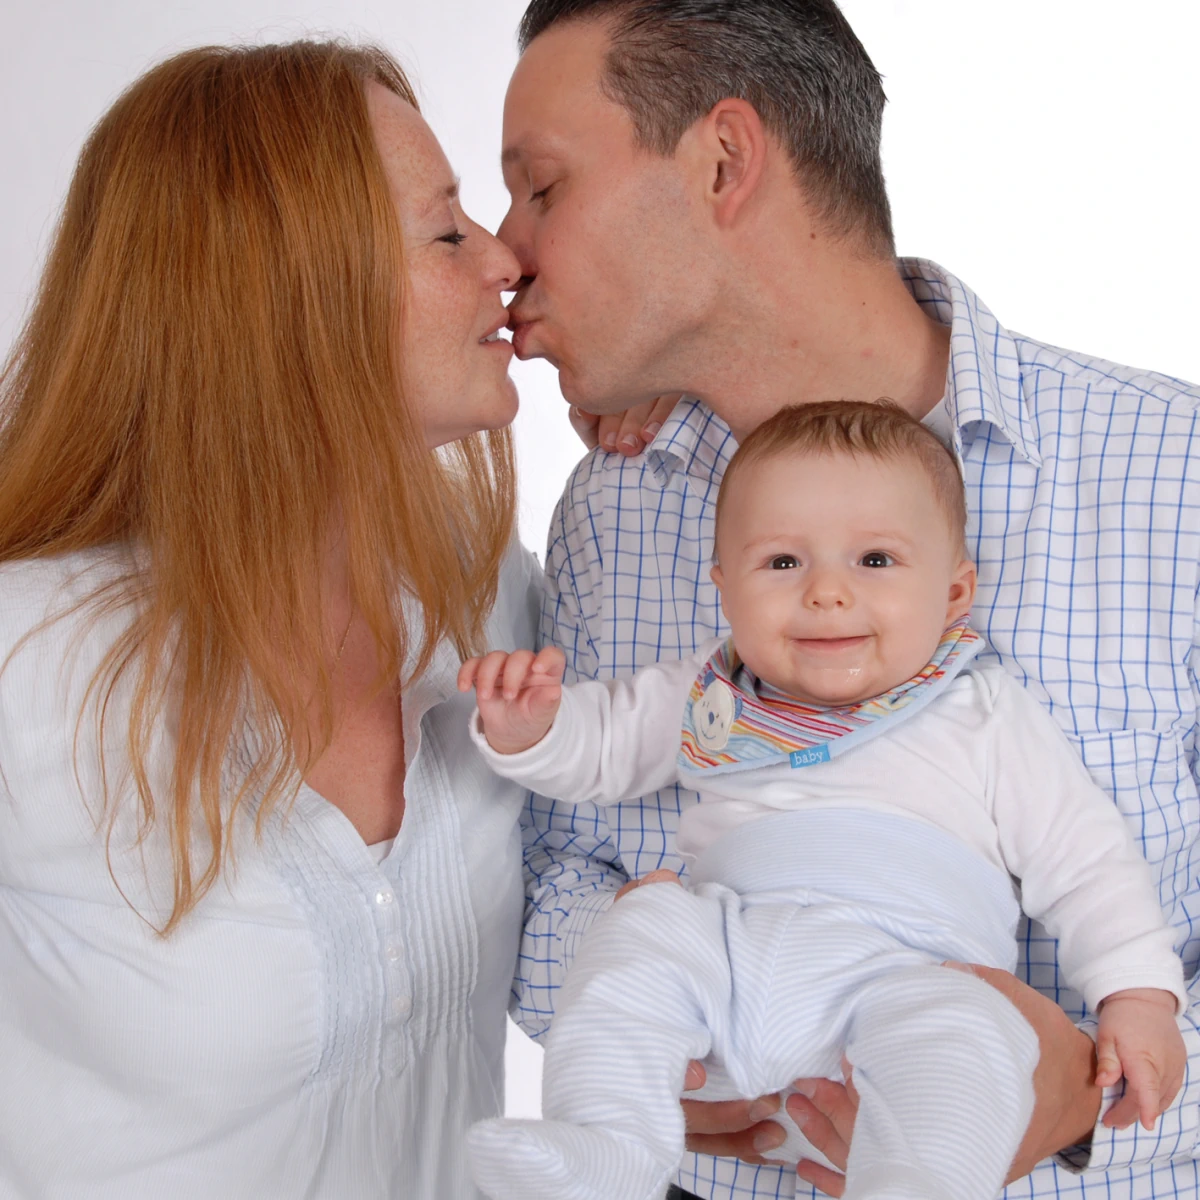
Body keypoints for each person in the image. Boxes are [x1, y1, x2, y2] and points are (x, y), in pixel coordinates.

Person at [496, 1, 1200, 1197]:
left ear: (723, 162)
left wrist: (1073, 1100)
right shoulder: (612, 510)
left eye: (543, 190)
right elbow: (552, 869)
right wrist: (653, 1064)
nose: (506, 253)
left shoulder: (1175, 477)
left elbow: (1113, 930)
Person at [0, 41, 539, 1199]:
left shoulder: (494, 590)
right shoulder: (24, 659)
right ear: (288, 294)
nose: (505, 257)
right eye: (447, 233)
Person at [461, 401, 1184, 1200]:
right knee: (641, 928)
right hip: (728, 959)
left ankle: (917, 1182)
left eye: (875, 560)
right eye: (781, 564)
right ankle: (605, 1144)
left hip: (909, 974)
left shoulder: (980, 710)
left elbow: (1085, 863)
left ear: (953, 594)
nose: (828, 594)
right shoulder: (717, 692)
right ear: (725, 587)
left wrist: (1139, 997)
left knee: (975, 1030)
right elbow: (603, 749)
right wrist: (533, 728)